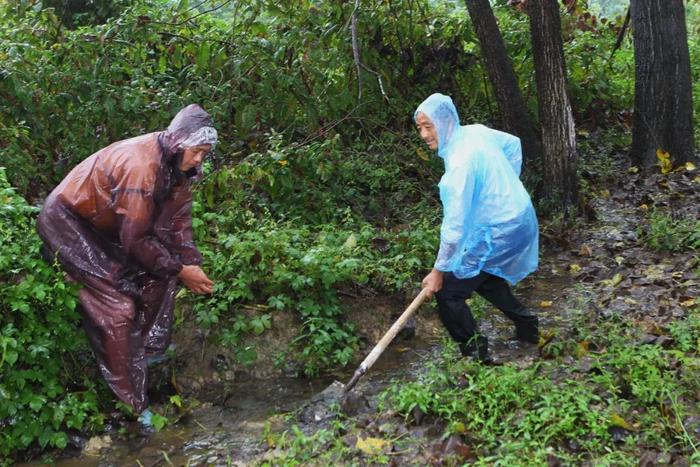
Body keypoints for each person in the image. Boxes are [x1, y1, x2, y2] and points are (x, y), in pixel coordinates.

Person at [37, 104, 216, 427]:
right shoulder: (142, 167)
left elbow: (178, 222)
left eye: (205, 153)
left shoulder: (179, 167)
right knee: (118, 305)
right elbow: (135, 240)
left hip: (109, 229)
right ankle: (130, 404)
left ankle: (144, 354)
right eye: (198, 152)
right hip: (68, 224)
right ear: (180, 144)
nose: (200, 160)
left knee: (160, 276)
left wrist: (189, 263)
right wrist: (179, 269)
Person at [414, 93, 539, 362]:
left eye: (429, 125)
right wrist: (504, 188)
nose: (424, 135)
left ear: (445, 121)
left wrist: (438, 272)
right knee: (478, 272)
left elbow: (454, 228)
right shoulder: (474, 132)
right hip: (520, 216)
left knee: (449, 290)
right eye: (420, 127)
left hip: (502, 229)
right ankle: (528, 325)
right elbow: (513, 145)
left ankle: (476, 358)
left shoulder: (459, 166)